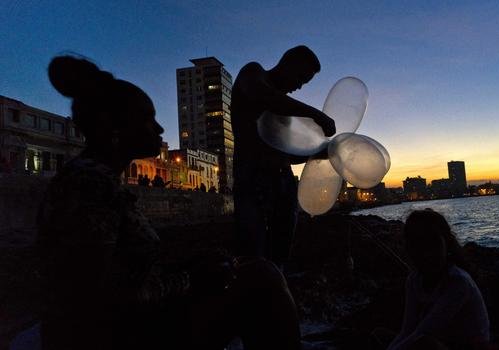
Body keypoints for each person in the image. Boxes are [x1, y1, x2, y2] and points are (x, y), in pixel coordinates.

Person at [37, 55, 301, 350]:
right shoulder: (87, 186)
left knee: (254, 270)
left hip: (131, 321)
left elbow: (124, 269)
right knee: (263, 280)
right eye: (148, 119)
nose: (160, 130)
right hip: (114, 335)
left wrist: (189, 265)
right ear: (115, 128)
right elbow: (96, 297)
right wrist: (191, 278)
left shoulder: (98, 180)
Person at [231, 45, 336, 266]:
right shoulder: (253, 73)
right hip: (252, 178)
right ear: (287, 63)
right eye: (299, 77)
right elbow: (261, 95)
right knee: (253, 250)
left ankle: (276, 285)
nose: (298, 86)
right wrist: (316, 115)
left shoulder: (283, 110)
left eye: (304, 82)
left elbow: (285, 154)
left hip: (283, 181)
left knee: (280, 250)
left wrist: (316, 153)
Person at [387, 209, 490, 350]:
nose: (427, 253)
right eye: (418, 245)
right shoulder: (414, 280)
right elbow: (407, 329)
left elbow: (424, 331)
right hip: (444, 341)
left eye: (433, 243)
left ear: (447, 244)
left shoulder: (458, 282)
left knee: (425, 343)